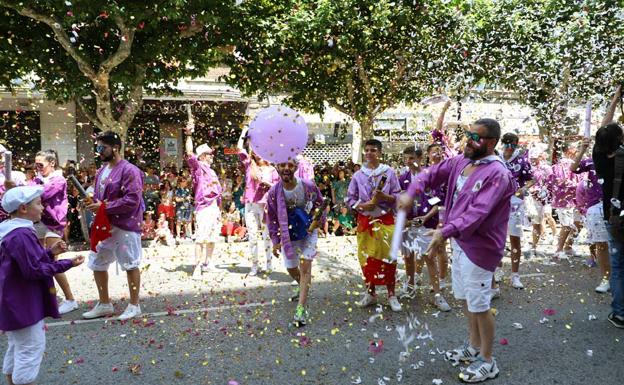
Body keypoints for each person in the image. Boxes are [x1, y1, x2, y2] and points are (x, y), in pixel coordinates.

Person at [399, 118, 515, 382]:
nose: (469, 141)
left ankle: (488, 360)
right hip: (461, 243)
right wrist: (411, 191)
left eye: (476, 137)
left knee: (480, 304)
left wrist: (444, 231)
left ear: (492, 142)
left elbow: (478, 212)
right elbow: (431, 173)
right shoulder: (463, 161)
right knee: (466, 299)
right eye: (467, 134)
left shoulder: (497, 173)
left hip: (481, 248)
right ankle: (473, 347)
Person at [0, 186, 84, 385]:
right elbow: (33, 270)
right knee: (30, 349)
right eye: (38, 203)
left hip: (15, 301)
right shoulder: (20, 235)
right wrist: (67, 263)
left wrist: (50, 252)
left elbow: (25, 264)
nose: (43, 208)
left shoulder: (13, 231)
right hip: (22, 303)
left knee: (17, 347)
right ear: (23, 208)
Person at [83, 131, 144, 321]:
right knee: (98, 262)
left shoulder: (130, 170)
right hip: (105, 225)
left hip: (125, 225)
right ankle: (104, 303)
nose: (99, 152)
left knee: (130, 263)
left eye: (102, 148)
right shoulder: (102, 170)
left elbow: (132, 200)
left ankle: (134, 305)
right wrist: (93, 202)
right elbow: (101, 198)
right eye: (97, 148)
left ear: (115, 147)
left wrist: (104, 206)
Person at [266, 158, 325, 326]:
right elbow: (271, 218)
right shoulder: (273, 192)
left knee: (306, 266)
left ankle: (301, 308)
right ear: (276, 166)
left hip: (308, 232)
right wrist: (276, 240)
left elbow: (320, 204)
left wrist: (317, 222)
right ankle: (303, 286)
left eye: (290, 164)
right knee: (292, 268)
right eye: (282, 164)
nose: (286, 167)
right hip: (288, 234)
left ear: (296, 167)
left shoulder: (307, 185)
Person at [347, 139, 402, 312]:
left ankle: (391, 294)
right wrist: (362, 206)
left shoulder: (389, 172)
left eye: (373, 150)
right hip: (365, 222)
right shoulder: (358, 175)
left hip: (385, 220)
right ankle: (370, 292)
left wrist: (384, 198)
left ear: (379, 153)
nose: (370, 153)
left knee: (389, 257)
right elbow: (350, 199)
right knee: (367, 258)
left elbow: (398, 196)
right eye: (367, 150)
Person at [398, 146, 451, 311]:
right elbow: (399, 201)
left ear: (420, 158)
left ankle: (437, 295)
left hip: (426, 225)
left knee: (429, 258)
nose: (408, 162)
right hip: (408, 225)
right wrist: (403, 217)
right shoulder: (403, 178)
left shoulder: (430, 177)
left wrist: (425, 218)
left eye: (412, 158)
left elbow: (438, 203)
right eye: (406, 158)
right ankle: (410, 287)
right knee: (408, 257)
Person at [32, 149, 77, 315]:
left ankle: (70, 299)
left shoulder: (59, 179)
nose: (37, 167)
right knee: (40, 261)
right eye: (35, 164)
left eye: (40, 164)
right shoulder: (38, 178)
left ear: (52, 163)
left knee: (52, 260)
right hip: (38, 222)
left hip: (54, 224)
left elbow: (42, 193)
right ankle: (48, 298)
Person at [237, 129, 279, 276]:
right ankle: (254, 266)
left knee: (267, 236)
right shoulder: (249, 164)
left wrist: (268, 184)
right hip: (250, 205)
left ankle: (269, 264)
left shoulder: (272, 169)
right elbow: (239, 148)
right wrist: (245, 130)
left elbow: (278, 187)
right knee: (253, 236)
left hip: (266, 205)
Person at [572, 137, 611, 292]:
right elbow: (573, 168)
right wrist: (582, 149)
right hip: (596, 207)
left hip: (616, 206)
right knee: (601, 244)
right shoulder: (591, 161)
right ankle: (606, 278)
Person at [184, 126, 222, 278]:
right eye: (209, 154)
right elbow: (189, 154)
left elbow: (218, 192)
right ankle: (198, 266)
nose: (212, 156)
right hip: (204, 207)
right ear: (202, 156)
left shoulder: (212, 171)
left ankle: (209, 263)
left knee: (213, 236)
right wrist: (188, 135)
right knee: (201, 237)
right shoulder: (198, 168)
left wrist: (220, 209)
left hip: (214, 207)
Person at [498, 133, 534, 290]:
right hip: (497, 203)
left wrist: (523, 190)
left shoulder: (521, 159)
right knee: (497, 239)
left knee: (515, 239)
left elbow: (531, 179)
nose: (510, 146)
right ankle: (497, 270)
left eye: (513, 144)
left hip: (515, 204)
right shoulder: (496, 158)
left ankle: (515, 275)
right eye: (507, 143)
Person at [547, 142, 583, 259]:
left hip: (578, 199)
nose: (577, 151)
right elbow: (560, 183)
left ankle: (568, 246)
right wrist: (577, 185)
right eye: (575, 148)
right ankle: (558, 250)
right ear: (568, 151)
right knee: (567, 225)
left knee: (579, 223)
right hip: (564, 200)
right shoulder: (559, 166)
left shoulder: (577, 163)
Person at [0, 144, 27, 222]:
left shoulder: (17, 176)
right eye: (0, 156)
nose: (3, 160)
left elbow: (25, 198)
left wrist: (14, 189)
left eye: (4, 156)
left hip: (11, 220)